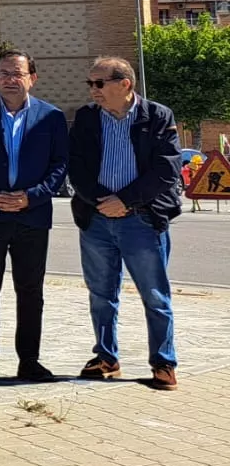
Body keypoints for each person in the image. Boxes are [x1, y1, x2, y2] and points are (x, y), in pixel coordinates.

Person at [71, 56, 183, 389]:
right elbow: (77, 167)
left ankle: (163, 362)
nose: (94, 91)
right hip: (97, 220)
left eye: (100, 83)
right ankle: (107, 357)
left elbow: (167, 170)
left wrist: (126, 201)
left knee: (155, 296)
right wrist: (102, 202)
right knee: (101, 294)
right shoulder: (87, 118)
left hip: (142, 220)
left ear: (125, 84)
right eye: (90, 84)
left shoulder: (157, 117)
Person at [0, 51, 69, 383]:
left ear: (32, 78)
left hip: (31, 218)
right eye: (3, 73)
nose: (9, 79)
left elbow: (59, 165)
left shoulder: (52, 117)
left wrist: (30, 197)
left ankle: (29, 361)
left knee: (31, 291)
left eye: (17, 73)